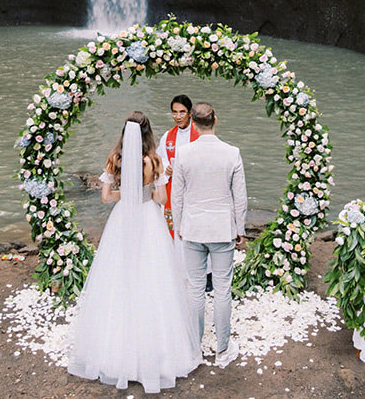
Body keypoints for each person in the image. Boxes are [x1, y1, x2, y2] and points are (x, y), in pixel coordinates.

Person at [68, 111, 202, 393]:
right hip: (147, 217)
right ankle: (157, 352)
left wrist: (125, 194)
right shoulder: (154, 160)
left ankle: (113, 351)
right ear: (148, 132)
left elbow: (105, 197)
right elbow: (161, 199)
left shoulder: (115, 158)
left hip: (122, 219)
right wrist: (144, 194)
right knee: (153, 276)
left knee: (118, 275)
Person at [171, 102, 248, 368]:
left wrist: (179, 226)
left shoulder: (183, 153)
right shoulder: (232, 152)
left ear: (192, 122)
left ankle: (194, 349)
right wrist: (240, 229)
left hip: (192, 228)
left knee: (194, 289)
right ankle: (223, 349)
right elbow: (240, 197)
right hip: (221, 229)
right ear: (216, 120)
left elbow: (176, 195)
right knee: (222, 289)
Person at [156, 95, 200, 237]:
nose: (178, 116)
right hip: (172, 185)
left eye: (182, 112)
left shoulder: (199, 134)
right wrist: (166, 166)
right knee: (172, 228)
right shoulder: (167, 136)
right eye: (174, 112)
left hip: (192, 186)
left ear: (190, 113)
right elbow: (160, 158)